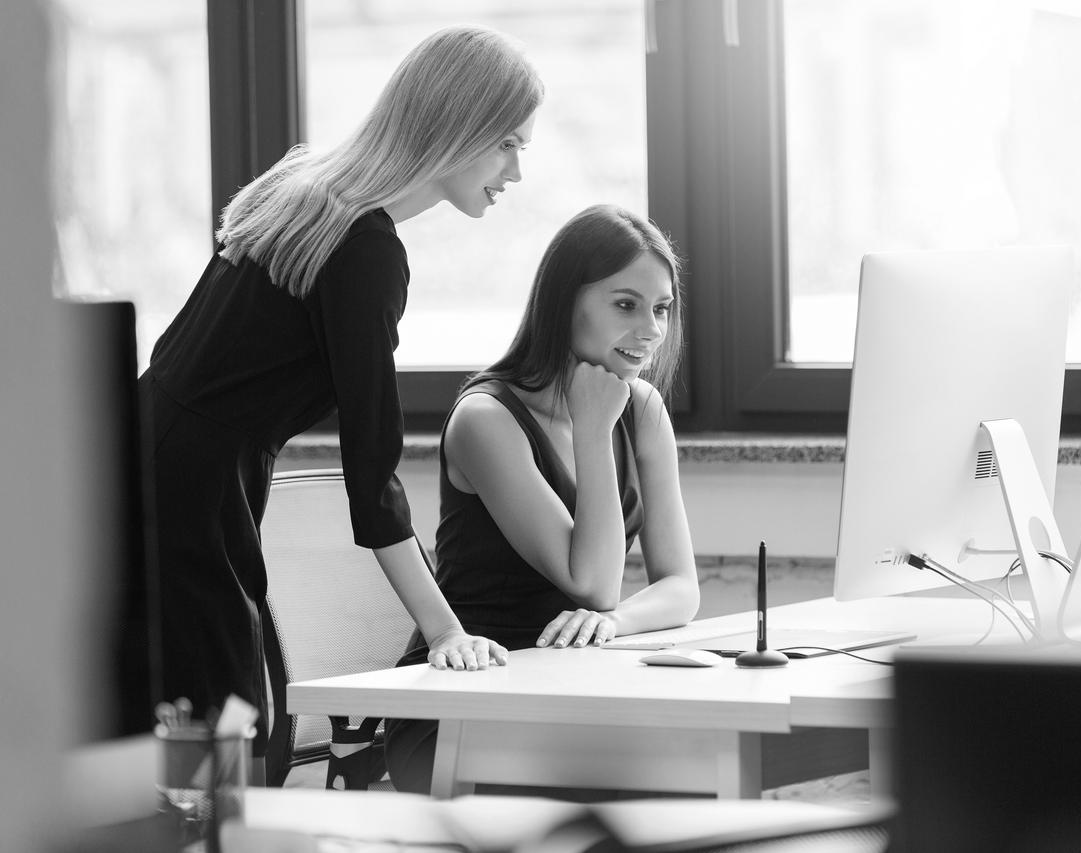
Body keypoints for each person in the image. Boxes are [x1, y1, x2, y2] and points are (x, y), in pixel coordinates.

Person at [136, 25, 543, 764]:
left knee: (187, 725)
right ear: (460, 126)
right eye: (508, 143)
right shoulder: (365, 247)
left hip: (151, 456)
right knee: (222, 735)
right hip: (193, 491)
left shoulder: (307, 190)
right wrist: (445, 628)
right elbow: (372, 468)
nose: (516, 170)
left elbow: (179, 359)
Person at [384, 204, 702, 794]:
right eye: (625, 304)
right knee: (649, 788)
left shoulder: (643, 410)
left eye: (661, 309)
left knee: (694, 773)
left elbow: (681, 588)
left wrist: (610, 624)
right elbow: (592, 581)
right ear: (565, 302)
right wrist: (591, 429)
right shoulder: (487, 419)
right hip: (463, 703)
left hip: (564, 686)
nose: (652, 329)